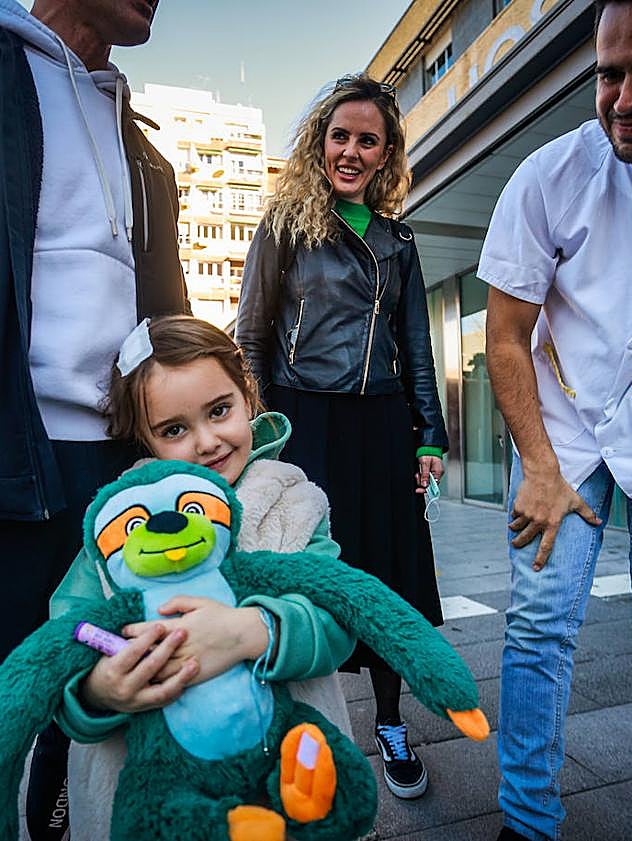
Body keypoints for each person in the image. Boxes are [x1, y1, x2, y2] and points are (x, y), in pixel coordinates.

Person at [479, 0, 632, 839]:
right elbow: (503, 336)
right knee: (539, 621)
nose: (624, 96)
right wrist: (539, 467)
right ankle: (525, 819)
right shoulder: (550, 172)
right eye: (609, 73)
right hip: (561, 419)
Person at [49, 314, 356, 838]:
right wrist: (99, 690)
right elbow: (65, 636)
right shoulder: (118, 520)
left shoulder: (295, 503)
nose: (207, 441)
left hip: (284, 771)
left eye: (219, 411)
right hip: (154, 788)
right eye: (174, 429)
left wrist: (248, 632)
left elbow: (336, 618)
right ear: (144, 439)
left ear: (248, 394)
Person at [0, 0, 189, 836]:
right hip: (14, 457)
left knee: (91, 699)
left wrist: (196, 440)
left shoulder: (144, 151)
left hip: (114, 473)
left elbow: (166, 312)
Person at [237, 73, 448, 801]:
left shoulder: (398, 240)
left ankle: (390, 723)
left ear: (386, 154)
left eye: (368, 140)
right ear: (319, 143)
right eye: (340, 136)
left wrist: (428, 437)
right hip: (306, 424)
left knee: (385, 579)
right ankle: (299, 733)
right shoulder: (284, 226)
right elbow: (251, 339)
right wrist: (263, 436)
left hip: (383, 425)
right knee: (303, 578)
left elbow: (416, 344)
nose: (351, 151)